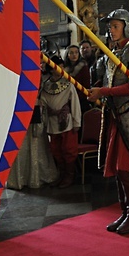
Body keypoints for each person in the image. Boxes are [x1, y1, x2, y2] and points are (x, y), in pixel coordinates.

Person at [88, 9, 129, 235]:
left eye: (115, 26)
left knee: (127, 168)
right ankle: (126, 211)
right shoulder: (110, 53)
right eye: (110, 26)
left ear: (126, 26)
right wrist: (98, 90)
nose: (111, 30)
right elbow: (108, 80)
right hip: (114, 115)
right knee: (116, 167)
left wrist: (104, 91)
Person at [40, 56, 82, 188]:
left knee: (68, 149)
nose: (61, 69)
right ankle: (62, 174)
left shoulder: (68, 84)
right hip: (52, 121)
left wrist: (76, 122)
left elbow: (75, 104)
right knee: (56, 150)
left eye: (62, 66)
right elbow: (43, 103)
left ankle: (69, 175)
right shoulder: (45, 86)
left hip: (66, 121)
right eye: (58, 67)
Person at [63, 44, 91, 114]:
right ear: (67, 55)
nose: (74, 55)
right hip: (67, 99)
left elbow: (86, 85)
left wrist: (76, 98)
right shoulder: (64, 69)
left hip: (80, 99)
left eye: (76, 52)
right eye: (71, 53)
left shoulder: (83, 67)